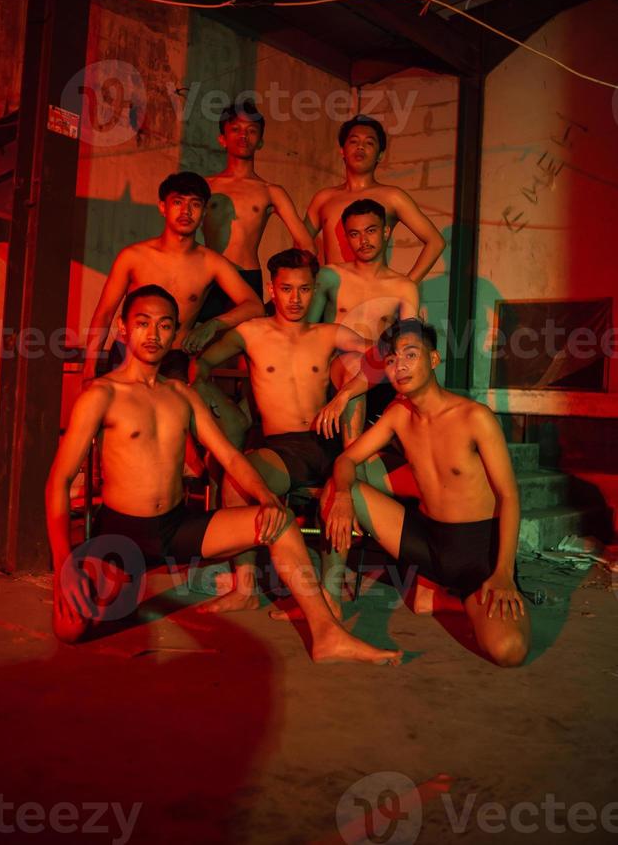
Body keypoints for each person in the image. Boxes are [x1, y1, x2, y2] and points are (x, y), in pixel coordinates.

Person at [46, 284, 399, 666]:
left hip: (177, 525)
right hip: (122, 532)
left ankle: (327, 635)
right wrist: (64, 562)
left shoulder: (182, 395)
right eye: (143, 323)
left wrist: (267, 499)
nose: (154, 334)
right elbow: (59, 482)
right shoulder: (102, 395)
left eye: (164, 325)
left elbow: (230, 457)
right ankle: (115, 577)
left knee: (279, 524)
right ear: (124, 329)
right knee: (72, 629)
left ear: (174, 332)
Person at [317, 318, 530, 666]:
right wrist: (342, 496)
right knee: (336, 486)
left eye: (410, 355)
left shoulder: (475, 418)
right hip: (428, 543)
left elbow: (509, 496)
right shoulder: (398, 414)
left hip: (479, 555)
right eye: (390, 360)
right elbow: (346, 459)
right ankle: (329, 600)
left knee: (508, 651)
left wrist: (503, 573)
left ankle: (449, 598)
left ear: (433, 359)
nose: (399, 366)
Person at [190, 248, 372, 613]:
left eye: (304, 289)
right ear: (272, 290)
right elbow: (200, 367)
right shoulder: (251, 333)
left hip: (329, 439)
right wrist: (221, 412)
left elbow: (382, 358)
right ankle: (244, 588)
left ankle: (329, 595)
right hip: (283, 449)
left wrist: (342, 397)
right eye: (286, 289)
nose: (295, 298)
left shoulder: (328, 333)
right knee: (238, 481)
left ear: (314, 289)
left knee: (354, 364)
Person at [81, 171, 262, 447]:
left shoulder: (211, 262)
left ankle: (194, 481)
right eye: (178, 202)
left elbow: (254, 305)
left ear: (203, 214)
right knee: (124, 433)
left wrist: (213, 325)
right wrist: (89, 371)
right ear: (163, 207)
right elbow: (104, 314)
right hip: (128, 355)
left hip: (176, 357)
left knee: (198, 429)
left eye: (195, 204)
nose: (186, 211)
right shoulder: (134, 256)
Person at [308, 197, 419, 440]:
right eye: (355, 234)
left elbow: (409, 345)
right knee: (355, 359)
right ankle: (352, 460)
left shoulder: (403, 287)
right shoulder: (330, 276)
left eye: (371, 231)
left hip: (381, 376)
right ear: (347, 238)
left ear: (386, 231)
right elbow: (307, 332)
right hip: (334, 372)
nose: (364, 241)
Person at [198, 99, 315, 322]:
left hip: (247, 276)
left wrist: (285, 287)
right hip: (208, 275)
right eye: (235, 129)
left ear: (260, 141)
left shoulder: (270, 191)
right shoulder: (207, 187)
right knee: (200, 345)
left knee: (244, 348)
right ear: (222, 139)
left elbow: (307, 244)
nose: (243, 136)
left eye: (251, 130)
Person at [304, 114, 445, 277]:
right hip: (334, 295)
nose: (360, 147)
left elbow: (435, 242)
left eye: (369, 143)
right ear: (342, 150)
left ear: (380, 155)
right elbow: (301, 244)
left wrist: (407, 285)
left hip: (373, 296)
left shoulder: (392, 197)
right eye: (354, 141)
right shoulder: (324, 198)